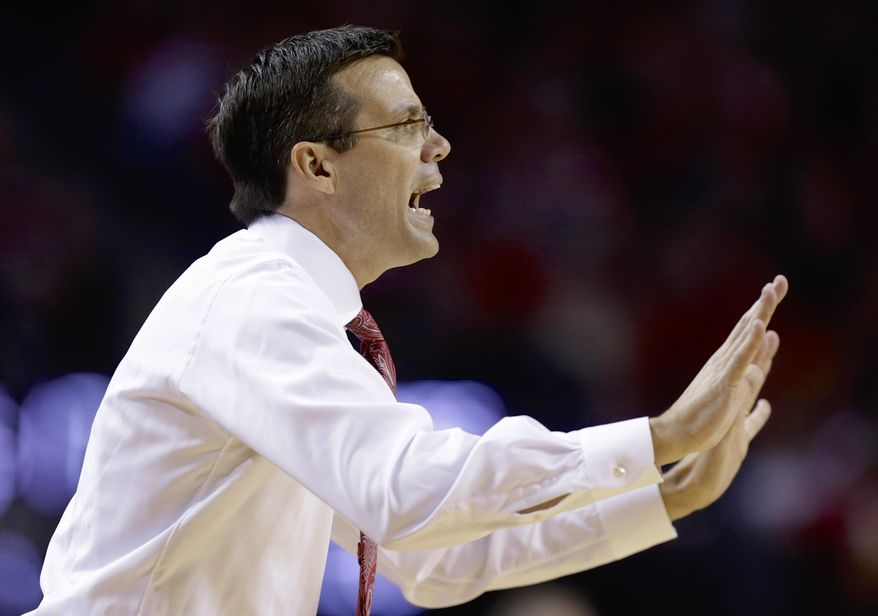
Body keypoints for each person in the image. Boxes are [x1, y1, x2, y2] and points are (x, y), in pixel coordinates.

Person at [29, 26, 788, 615]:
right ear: (318, 167)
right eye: (403, 126)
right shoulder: (252, 298)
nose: (439, 145)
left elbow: (428, 556)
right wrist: (657, 439)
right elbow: (404, 491)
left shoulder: (294, 310)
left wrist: (664, 495)